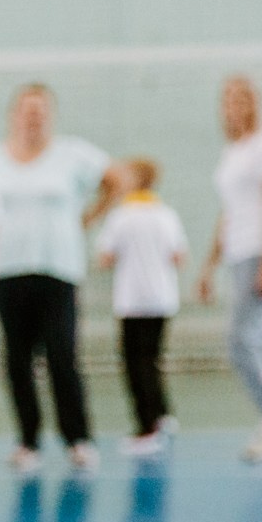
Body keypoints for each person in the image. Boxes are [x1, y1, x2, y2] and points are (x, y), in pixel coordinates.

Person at [0, 83, 111, 475]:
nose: (33, 116)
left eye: (40, 110)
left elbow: (118, 178)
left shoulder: (73, 155)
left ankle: (77, 438)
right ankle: (28, 440)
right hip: (8, 271)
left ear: (50, 115)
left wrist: (89, 217)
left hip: (58, 270)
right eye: (27, 109)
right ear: (14, 115)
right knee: (17, 359)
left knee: (62, 355)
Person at [197, 74, 262, 461]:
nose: (234, 105)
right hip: (238, 253)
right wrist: (209, 266)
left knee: (243, 338)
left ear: (255, 102)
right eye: (227, 99)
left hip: (261, 252)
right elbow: (229, 213)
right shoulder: (233, 151)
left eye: (241, 98)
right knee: (259, 336)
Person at [90, 159, 187, 457]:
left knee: (136, 365)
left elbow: (104, 258)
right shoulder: (167, 215)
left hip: (132, 301)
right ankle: (162, 414)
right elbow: (179, 257)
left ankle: (147, 429)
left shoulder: (120, 216)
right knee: (152, 359)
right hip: (162, 299)